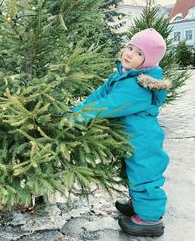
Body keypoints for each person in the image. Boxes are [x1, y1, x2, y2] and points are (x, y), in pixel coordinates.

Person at [72, 28, 171, 237]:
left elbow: (108, 105)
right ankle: (138, 204)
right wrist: (75, 111)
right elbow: (99, 95)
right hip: (131, 137)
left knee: (145, 175)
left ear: (148, 62)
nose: (129, 54)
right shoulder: (123, 75)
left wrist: (76, 119)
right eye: (130, 47)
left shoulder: (137, 86)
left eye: (138, 53)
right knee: (133, 172)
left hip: (144, 139)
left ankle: (150, 220)